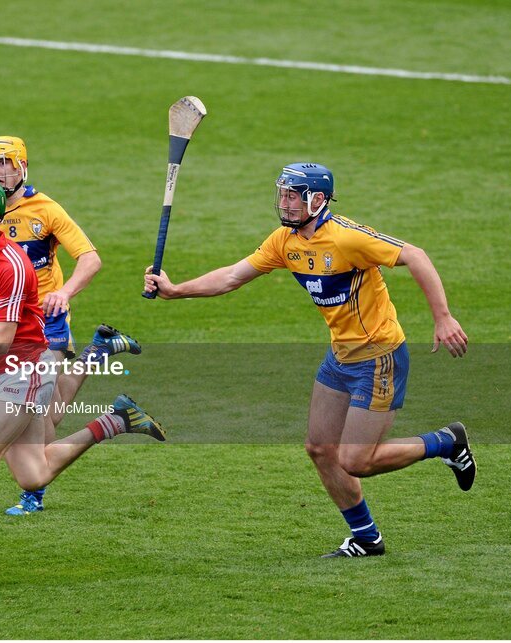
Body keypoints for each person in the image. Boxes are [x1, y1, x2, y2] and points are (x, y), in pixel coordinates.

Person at [143, 162, 475, 558]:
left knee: (356, 459)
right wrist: (177, 290)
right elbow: (232, 276)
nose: (284, 203)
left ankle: (446, 442)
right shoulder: (285, 241)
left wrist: (442, 317)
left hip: (379, 358)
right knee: (320, 449)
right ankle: (367, 539)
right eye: (281, 193)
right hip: (339, 358)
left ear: (317, 200)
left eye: (292, 195)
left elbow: (415, 256)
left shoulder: (347, 238)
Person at [0, 179, 165, 588]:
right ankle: (115, 421)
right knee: (32, 476)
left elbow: (3, 337)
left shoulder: (11, 264)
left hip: (24, 369)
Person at [0, 135, 132, 516]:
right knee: (45, 412)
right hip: (9, 327)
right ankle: (97, 353)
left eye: (3, 164)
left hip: (47, 324)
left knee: (37, 414)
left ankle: (34, 490)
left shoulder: (44, 209)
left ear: (21, 167)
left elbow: (90, 259)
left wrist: (64, 292)